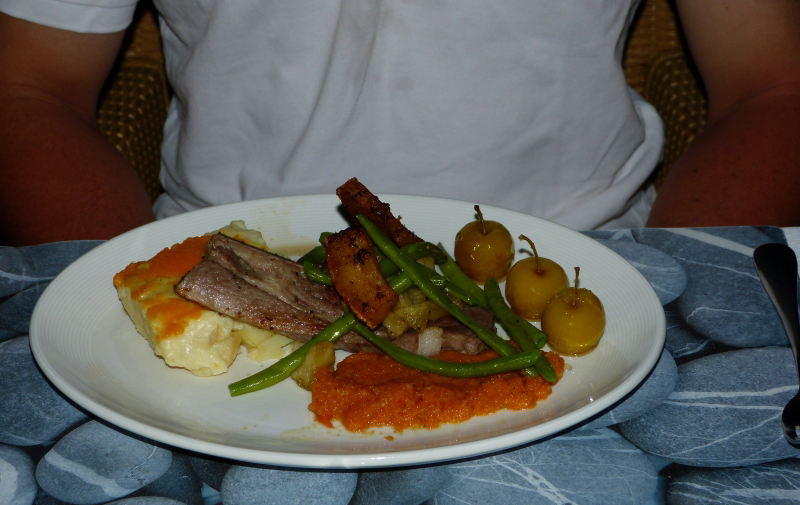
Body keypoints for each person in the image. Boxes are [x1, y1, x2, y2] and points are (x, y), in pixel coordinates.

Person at [0, 1, 798, 246]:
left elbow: (772, 87)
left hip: (584, 263)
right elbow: (29, 89)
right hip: (227, 264)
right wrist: (128, 293)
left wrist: (687, 293)